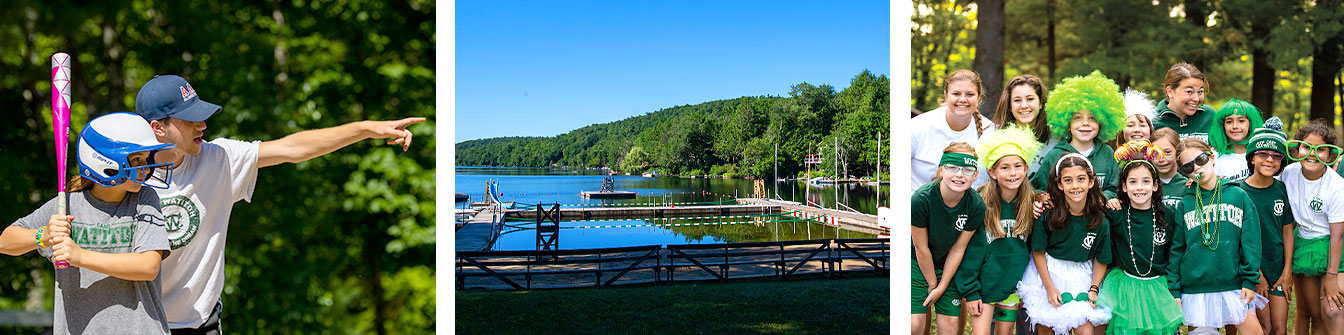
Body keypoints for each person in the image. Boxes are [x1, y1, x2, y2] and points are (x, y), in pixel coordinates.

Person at [130, 74, 426, 333]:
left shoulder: (218, 158)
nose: (203, 125)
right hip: (141, 324)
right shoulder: (126, 178)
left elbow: (293, 148)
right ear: (158, 127)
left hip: (201, 324)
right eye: (190, 119)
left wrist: (368, 129)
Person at [1, 112, 176, 335]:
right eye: (136, 159)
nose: (145, 167)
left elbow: (148, 266)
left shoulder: (144, 198)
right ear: (106, 162)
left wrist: (80, 256)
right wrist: (42, 235)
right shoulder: (67, 205)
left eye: (145, 159)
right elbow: (5, 242)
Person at [1168, 138, 1265, 335]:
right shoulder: (1185, 204)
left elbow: (1251, 241)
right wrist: (1174, 289)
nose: (1196, 167)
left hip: (1233, 283)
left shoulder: (1238, 195)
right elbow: (1177, 249)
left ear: (1212, 158)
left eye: (1201, 159)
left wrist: (1249, 280)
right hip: (1195, 287)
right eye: (1188, 167)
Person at [957, 125, 1043, 335]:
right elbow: (968, 252)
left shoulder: (1031, 203)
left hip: (1011, 287)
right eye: (1004, 167)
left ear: (1026, 169)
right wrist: (971, 291)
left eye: (1017, 166)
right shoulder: (979, 204)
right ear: (992, 172)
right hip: (983, 288)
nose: (1012, 173)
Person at [1096, 140, 1184, 335]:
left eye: (1146, 181)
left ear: (1155, 186)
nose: (1139, 188)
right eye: (1132, 182)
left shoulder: (1168, 215)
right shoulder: (1116, 213)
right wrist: (1108, 200)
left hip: (1159, 287)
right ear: (1124, 187)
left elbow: (1175, 253)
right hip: (1125, 288)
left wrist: (1175, 290)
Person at [1018, 153, 1113, 335]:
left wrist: (1093, 289)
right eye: (1068, 180)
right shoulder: (1048, 214)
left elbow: (1101, 258)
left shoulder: (1100, 221)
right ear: (1060, 184)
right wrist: (1049, 287)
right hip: (1050, 272)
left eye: (1081, 179)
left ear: (1091, 182)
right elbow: (1038, 252)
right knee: (1048, 327)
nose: (1075, 186)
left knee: (1085, 330)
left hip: (1082, 275)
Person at [913, 142, 986, 335]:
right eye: (953, 168)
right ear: (941, 170)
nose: (960, 175)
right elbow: (921, 248)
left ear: (975, 175)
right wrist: (932, 285)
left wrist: (942, 286)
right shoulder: (921, 199)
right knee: (914, 326)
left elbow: (958, 249)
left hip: (949, 265)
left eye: (968, 170)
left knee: (951, 328)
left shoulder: (976, 205)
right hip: (917, 263)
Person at [1280, 120, 1344, 335]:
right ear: (1298, 149)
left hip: (1329, 245)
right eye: (1307, 147)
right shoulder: (1288, 173)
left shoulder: (1336, 186)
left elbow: (1337, 236)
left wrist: (1332, 277)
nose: (1312, 154)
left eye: (1321, 149)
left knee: (1327, 310)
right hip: (1302, 244)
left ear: (1330, 155)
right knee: (1306, 310)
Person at [1029, 71, 1126, 204]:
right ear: (1067, 123)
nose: (1085, 123)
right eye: (1078, 118)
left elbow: (1113, 188)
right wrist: (1044, 198)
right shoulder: (1054, 155)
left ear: (1102, 122)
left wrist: (1104, 198)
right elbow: (1036, 188)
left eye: (1092, 118)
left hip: (1098, 221)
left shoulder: (1107, 153)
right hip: (1062, 222)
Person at [1234, 123, 1294, 335]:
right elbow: (1238, 238)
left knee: (1279, 329)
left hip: (1278, 269)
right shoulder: (1239, 192)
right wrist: (1256, 274)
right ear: (1251, 158)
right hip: (1252, 271)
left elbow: (1287, 230)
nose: (1270, 159)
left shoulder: (1281, 189)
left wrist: (1287, 271)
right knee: (1264, 327)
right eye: (1263, 154)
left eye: (1276, 156)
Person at [912, 70, 995, 192]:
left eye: (970, 94)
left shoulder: (990, 132)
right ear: (946, 95)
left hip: (972, 209)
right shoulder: (917, 127)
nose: (962, 99)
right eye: (956, 93)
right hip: (920, 209)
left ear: (979, 97)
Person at [989, 74, 1054, 176]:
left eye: (1030, 99)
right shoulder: (993, 135)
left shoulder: (1056, 137)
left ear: (1041, 103)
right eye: (1017, 100)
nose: (1024, 105)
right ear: (1010, 106)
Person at [1151, 62, 1217, 142]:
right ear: (1170, 92)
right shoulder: (1153, 120)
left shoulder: (1210, 116)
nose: (1196, 98)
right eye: (1189, 91)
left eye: (1200, 91)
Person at [1209, 99, 1265, 183]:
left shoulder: (1263, 154)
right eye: (1229, 122)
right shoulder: (1213, 157)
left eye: (1241, 121)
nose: (1235, 126)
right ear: (1222, 126)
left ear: (1251, 124)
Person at [1151, 128, 1189, 211]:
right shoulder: (1147, 186)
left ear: (1178, 152)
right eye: (1156, 153)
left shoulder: (1187, 186)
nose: (1161, 159)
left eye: (1167, 152)